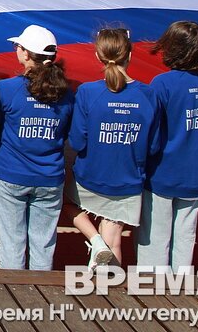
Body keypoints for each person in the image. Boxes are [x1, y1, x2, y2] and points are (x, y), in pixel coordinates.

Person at [69, 28, 160, 267]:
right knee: (115, 241)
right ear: (129, 55)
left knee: (62, 202)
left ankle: (96, 242)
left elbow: (77, 141)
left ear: (98, 56)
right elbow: (154, 145)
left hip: (91, 177)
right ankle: (110, 291)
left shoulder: (88, 92)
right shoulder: (148, 94)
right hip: (128, 179)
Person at [138, 21, 198, 268]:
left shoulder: (163, 84)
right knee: (185, 240)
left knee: (155, 242)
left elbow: (152, 136)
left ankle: (152, 298)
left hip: (161, 175)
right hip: (196, 176)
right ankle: (180, 296)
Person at [0, 25, 73, 270]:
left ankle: (12, 296)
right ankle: (41, 296)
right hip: (49, 177)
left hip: (10, 176)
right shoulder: (67, 94)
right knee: (43, 245)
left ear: (26, 54)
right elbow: (68, 132)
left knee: (10, 244)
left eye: (19, 46)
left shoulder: (5, 89)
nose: (16, 49)